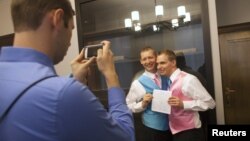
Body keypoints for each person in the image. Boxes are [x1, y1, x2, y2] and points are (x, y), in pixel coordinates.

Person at [0, 0, 135, 141]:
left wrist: (75, 81)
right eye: (71, 28)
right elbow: (125, 137)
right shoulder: (64, 95)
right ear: (57, 19)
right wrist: (111, 75)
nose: (70, 41)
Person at [156, 49, 216, 141]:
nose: (159, 67)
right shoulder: (168, 81)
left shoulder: (188, 80)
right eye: (158, 64)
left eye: (162, 63)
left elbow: (210, 103)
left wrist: (183, 104)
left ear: (173, 62)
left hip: (191, 133)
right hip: (176, 132)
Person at [126, 47, 172, 141]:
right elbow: (128, 106)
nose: (148, 61)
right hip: (151, 129)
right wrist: (142, 104)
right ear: (141, 61)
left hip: (171, 126)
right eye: (144, 59)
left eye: (150, 57)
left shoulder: (167, 76)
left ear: (156, 58)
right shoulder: (137, 83)